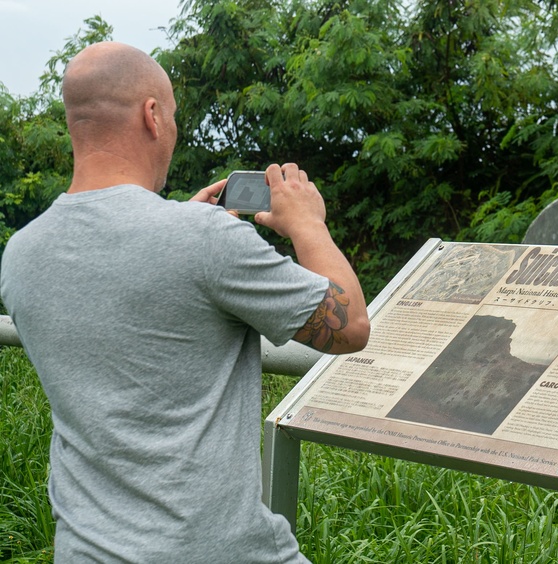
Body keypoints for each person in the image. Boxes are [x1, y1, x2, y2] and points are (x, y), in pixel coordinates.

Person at [0, 41, 370, 562]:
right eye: (171, 115)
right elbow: (349, 326)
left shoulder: (21, 253)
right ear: (153, 116)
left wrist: (191, 230)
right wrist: (308, 224)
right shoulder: (202, 240)